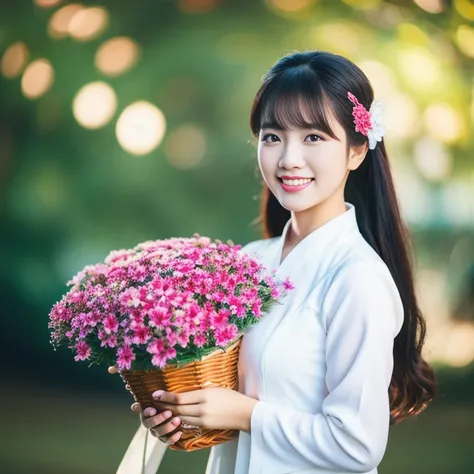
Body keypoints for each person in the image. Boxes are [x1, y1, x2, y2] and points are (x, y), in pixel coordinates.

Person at [131, 50, 437, 474]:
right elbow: (226, 401)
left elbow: (358, 445)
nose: (289, 158)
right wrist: (180, 414)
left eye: (313, 137)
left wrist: (244, 414)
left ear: (356, 150)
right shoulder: (248, 264)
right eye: (273, 136)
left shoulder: (358, 279)